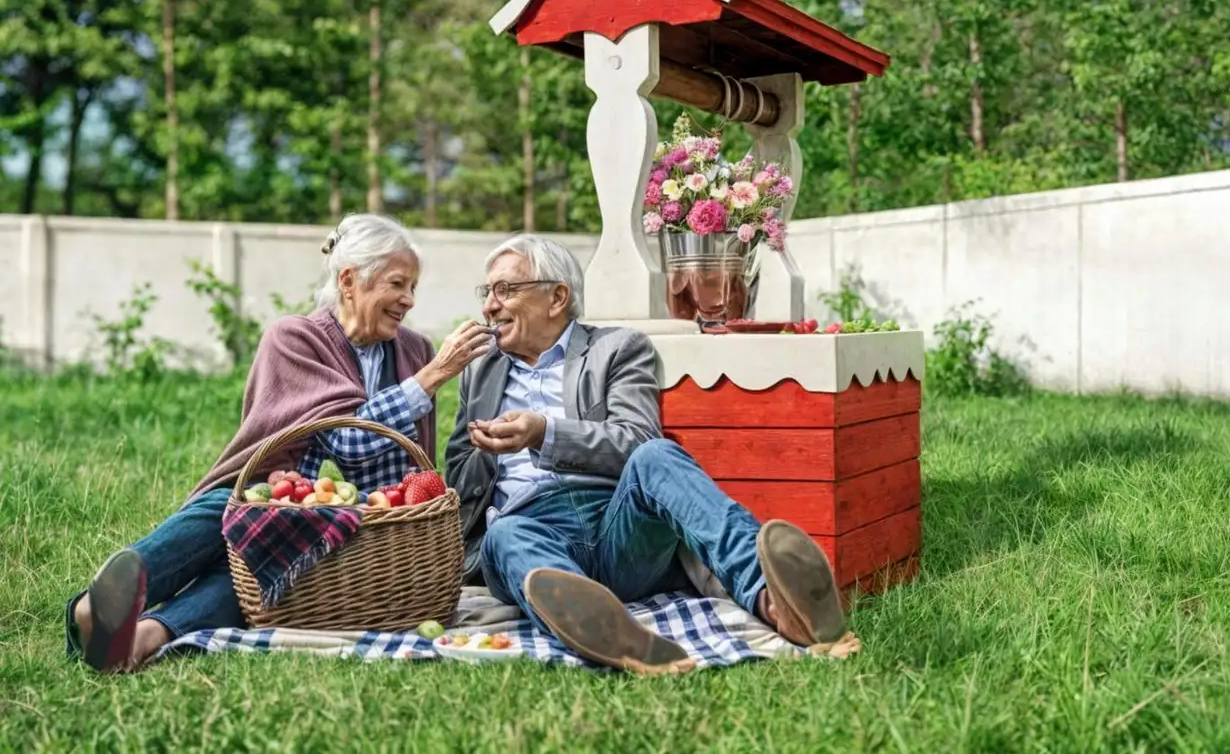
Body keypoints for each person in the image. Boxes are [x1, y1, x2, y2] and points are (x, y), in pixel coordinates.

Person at [66, 213, 493, 673]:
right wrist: (430, 380)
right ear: (349, 280)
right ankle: (95, 609)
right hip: (276, 492)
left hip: (357, 517)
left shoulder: (413, 349)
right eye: (397, 284)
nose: (408, 300)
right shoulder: (294, 337)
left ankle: (150, 633)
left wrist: (384, 512)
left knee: (266, 578)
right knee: (230, 514)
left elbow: (399, 466)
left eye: (413, 287)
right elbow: (347, 440)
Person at [446, 234, 857, 675]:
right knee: (503, 536)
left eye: (505, 290)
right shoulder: (480, 368)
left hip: (617, 529)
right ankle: (610, 631)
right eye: (487, 292)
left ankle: (777, 602)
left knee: (657, 454)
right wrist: (479, 443)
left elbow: (635, 439)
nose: (490, 305)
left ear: (556, 297)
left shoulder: (616, 348)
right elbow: (458, 475)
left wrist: (544, 433)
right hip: (529, 528)